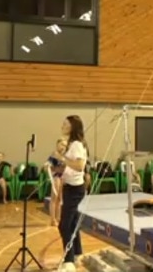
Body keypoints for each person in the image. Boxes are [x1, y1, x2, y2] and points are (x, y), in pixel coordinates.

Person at [50, 115, 88, 272]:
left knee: (64, 225)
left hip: (75, 190)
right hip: (69, 187)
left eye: (66, 123)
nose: (62, 125)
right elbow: (68, 167)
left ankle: (69, 260)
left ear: (73, 127)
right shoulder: (72, 144)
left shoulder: (77, 144)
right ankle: (77, 254)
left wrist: (63, 160)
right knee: (71, 224)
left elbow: (79, 166)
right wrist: (54, 166)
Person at [47, 137, 68, 226]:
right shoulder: (54, 154)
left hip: (63, 177)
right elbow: (47, 166)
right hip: (56, 177)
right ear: (57, 145)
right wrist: (51, 172)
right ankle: (52, 219)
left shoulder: (65, 156)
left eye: (65, 145)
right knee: (54, 198)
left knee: (60, 198)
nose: (63, 147)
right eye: (62, 144)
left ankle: (59, 217)